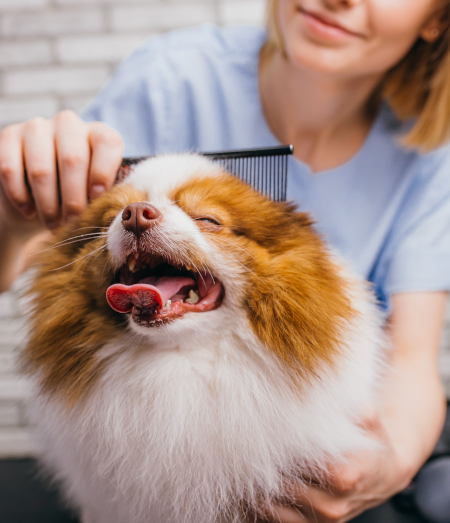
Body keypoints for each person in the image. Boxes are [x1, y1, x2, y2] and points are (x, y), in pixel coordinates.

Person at [1, 0, 450, 521]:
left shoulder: (432, 151)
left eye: (208, 220)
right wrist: (13, 214)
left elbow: (414, 359)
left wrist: (381, 464)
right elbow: (40, 260)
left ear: (438, 17)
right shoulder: (173, 77)